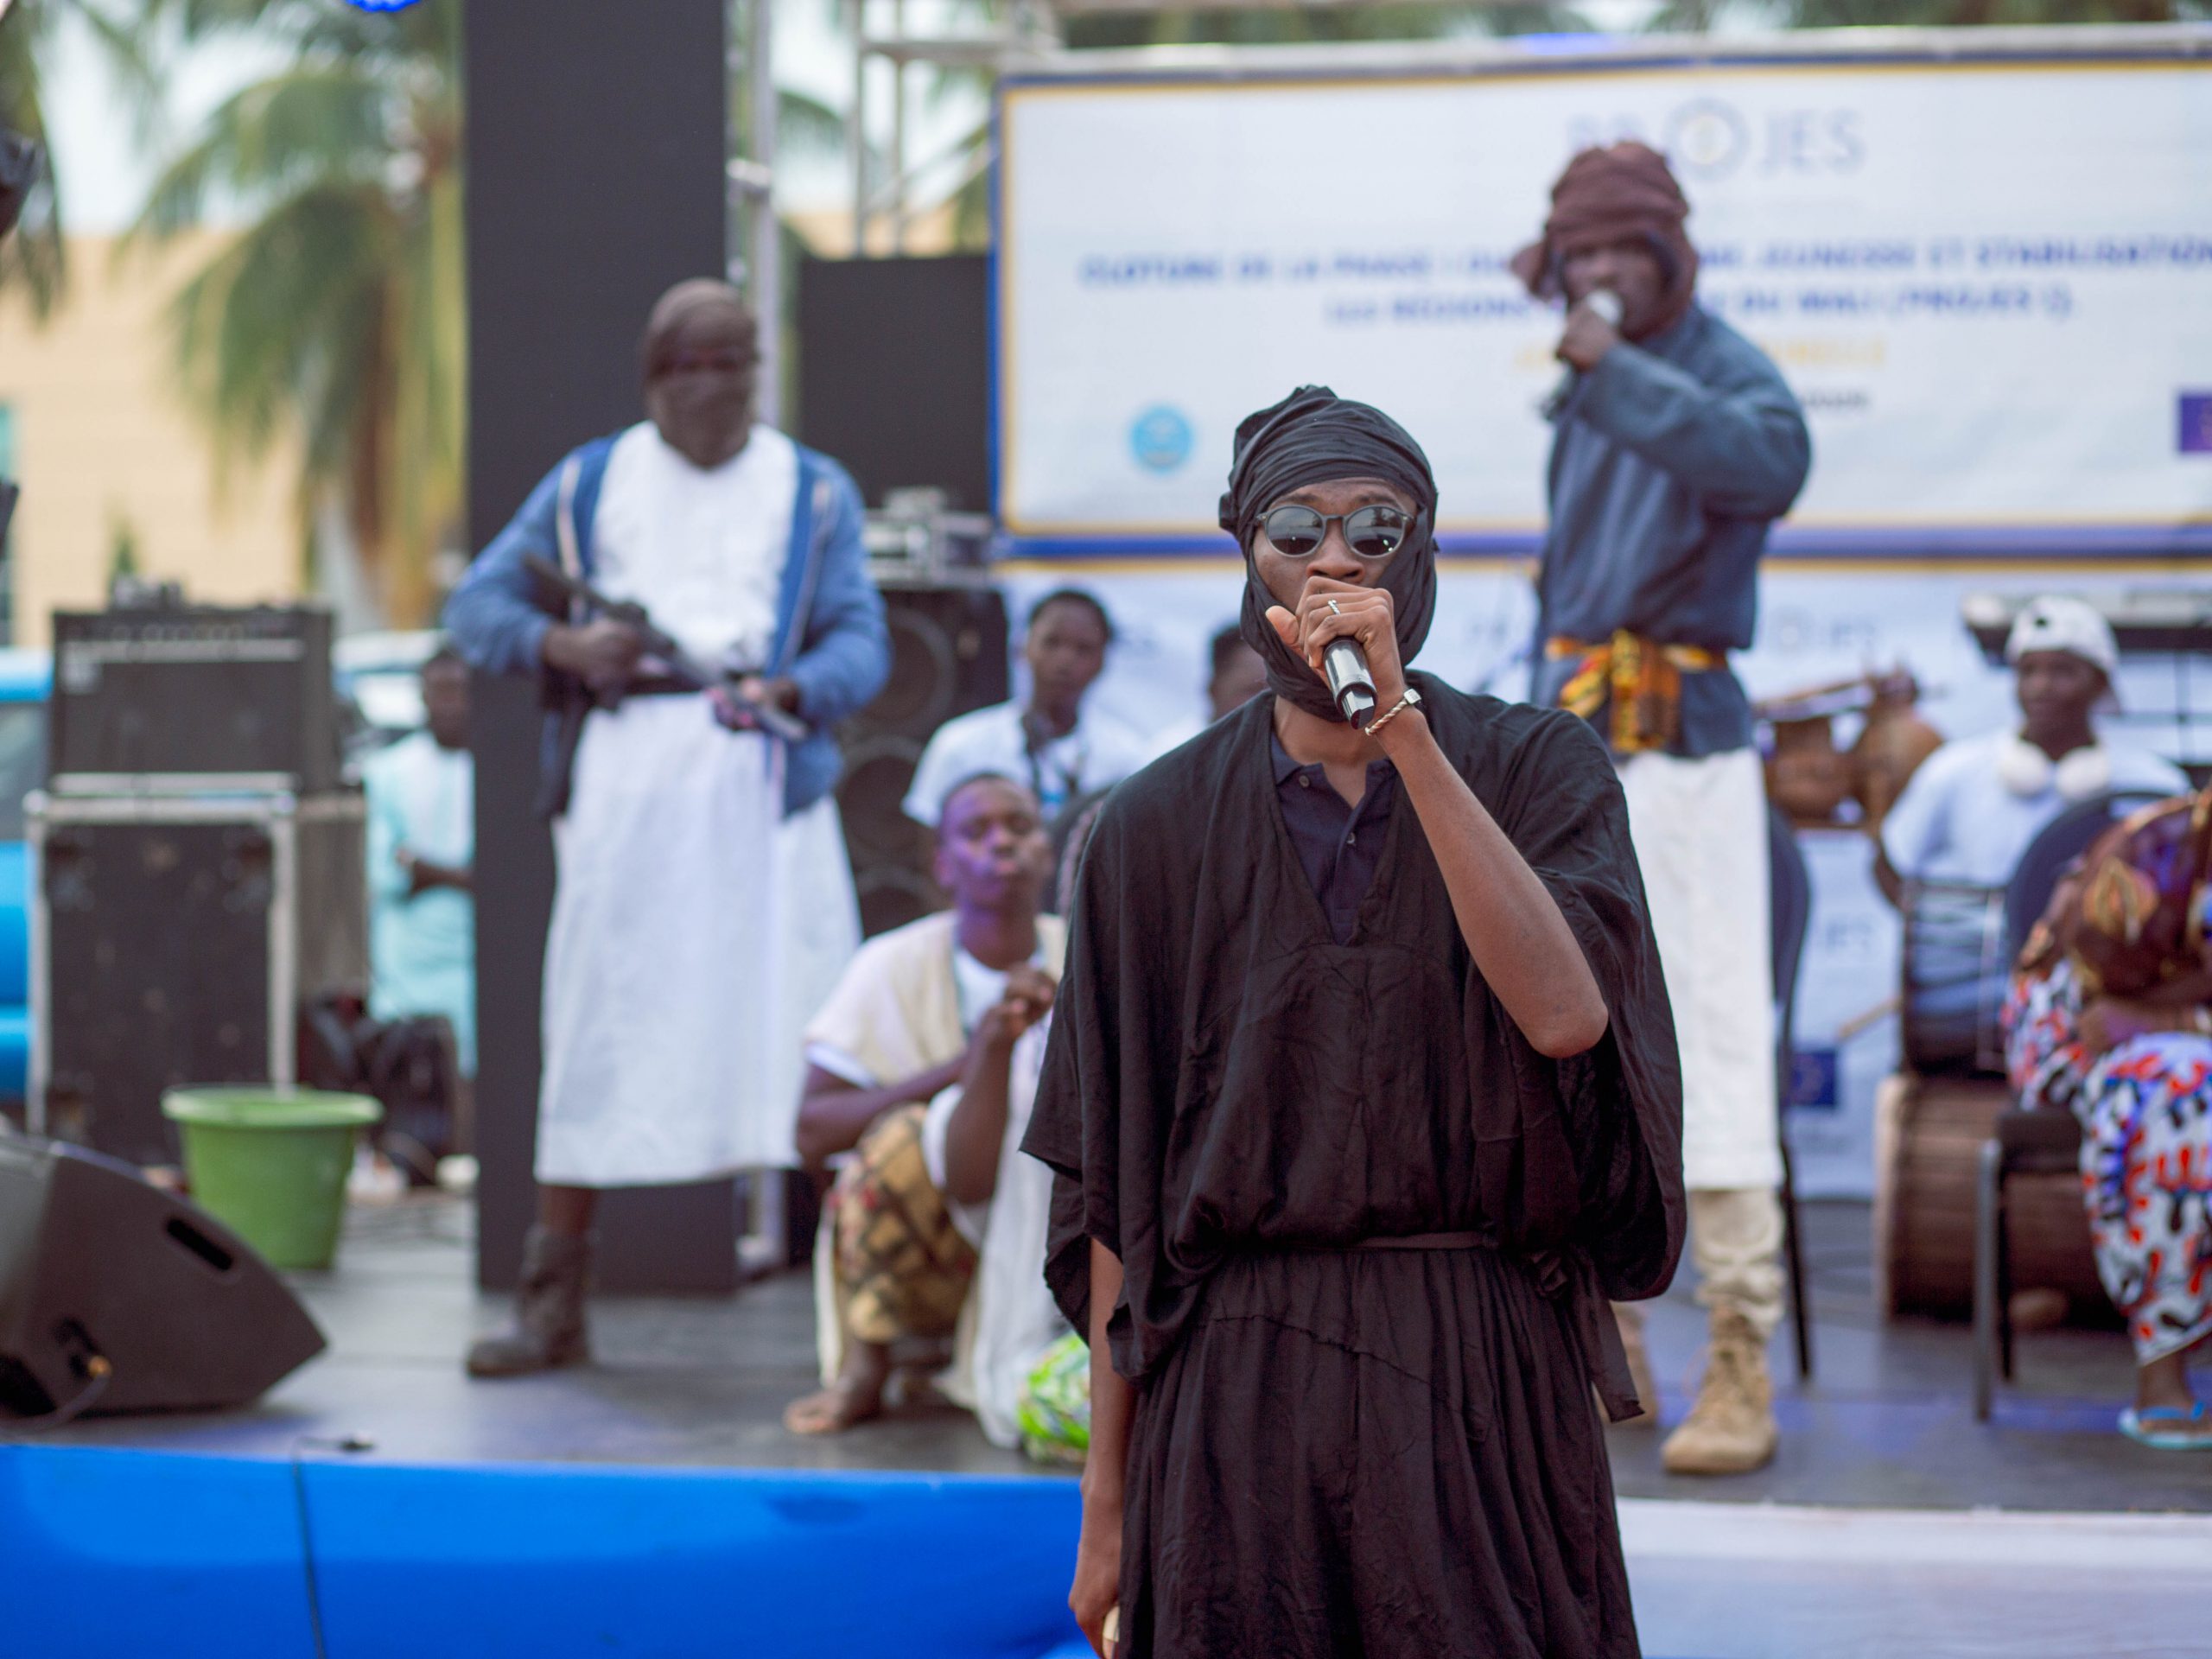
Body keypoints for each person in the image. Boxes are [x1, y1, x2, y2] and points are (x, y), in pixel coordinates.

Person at [1026, 387, 1682, 1659]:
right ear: (1245, 554)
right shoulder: (1149, 829)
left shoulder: (1540, 768)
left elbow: (1562, 1018)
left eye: (1375, 529)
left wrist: (1405, 734)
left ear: (1420, 554)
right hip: (1236, 1386)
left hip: (1477, 1369)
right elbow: (1119, 1199)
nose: (1335, 558)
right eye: (1297, 528)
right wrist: (1105, 1506)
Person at [445, 280, 887, 1378]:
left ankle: (875, 1315)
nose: (709, 384)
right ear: (652, 377)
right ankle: (554, 1305)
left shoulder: (813, 490)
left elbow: (861, 643)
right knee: (600, 1025)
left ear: (756, 371)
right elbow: (477, 608)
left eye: (730, 360)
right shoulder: (590, 481)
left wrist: (792, 691)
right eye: (686, 364)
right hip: (627, 793)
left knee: (810, 1028)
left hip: (765, 784)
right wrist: (563, 649)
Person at [1517, 141, 1812, 1475]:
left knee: (1714, 1035)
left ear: (1666, 256)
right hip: (1580, 736)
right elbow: (1566, 576)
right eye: (1576, 256)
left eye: (1616, 253)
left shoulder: (1709, 366)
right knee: (1568, 1029)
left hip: (1685, 747)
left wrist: (1608, 361)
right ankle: (1614, 1332)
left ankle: (1738, 1352)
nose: (1595, 276)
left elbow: (1770, 463)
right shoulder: (1594, 381)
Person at [787, 772, 1068, 1437]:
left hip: (1059, 1213)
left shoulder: (1086, 946)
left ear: (1048, 852)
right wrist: (971, 1064)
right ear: (943, 866)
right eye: (977, 831)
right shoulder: (890, 963)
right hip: (934, 1225)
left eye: (1020, 826)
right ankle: (869, 1363)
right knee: (902, 1140)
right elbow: (811, 1130)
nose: (1003, 844)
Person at [2004, 789, 2212, 1447]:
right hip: (2092, 1026)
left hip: (2183, 1023)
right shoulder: (2149, 855)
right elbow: (2106, 1015)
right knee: (2177, 1090)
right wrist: (2175, 1020)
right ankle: (2163, 1370)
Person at [1878, 596, 2187, 899]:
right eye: (2028, 671)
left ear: (2100, 683)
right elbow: (1892, 863)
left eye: (2062, 671)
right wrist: (1942, 932)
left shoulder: (2154, 786)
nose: (2041, 687)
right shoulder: (1954, 770)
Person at [904, 589, 1150, 827]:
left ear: (1102, 661)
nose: (1065, 661)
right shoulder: (960, 745)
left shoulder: (1126, 758)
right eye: (1051, 643)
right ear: (1022, 647)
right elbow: (936, 856)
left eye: (1083, 649)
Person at [361, 646, 476, 1077]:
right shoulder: (389, 770)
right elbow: (386, 873)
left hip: (475, 971)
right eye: (440, 691)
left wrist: (426, 869)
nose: (451, 704)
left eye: (460, 691)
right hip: (407, 975)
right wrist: (463, 875)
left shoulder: (502, 770)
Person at [1143, 624, 1269, 760]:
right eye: (1251, 691)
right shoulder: (1170, 757)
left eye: (1278, 693)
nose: (1268, 702)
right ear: (1214, 689)